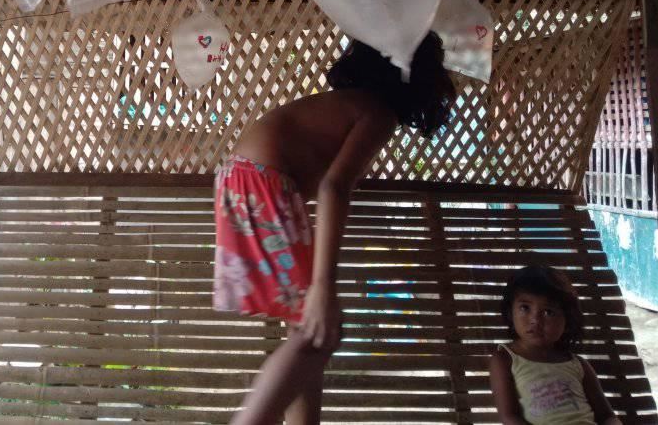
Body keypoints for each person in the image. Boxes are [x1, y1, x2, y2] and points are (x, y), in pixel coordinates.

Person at [213, 33, 457, 425]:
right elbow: (334, 187)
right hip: (262, 182)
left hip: (247, 180)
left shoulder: (351, 105)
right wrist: (324, 286)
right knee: (318, 331)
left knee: (311, 327)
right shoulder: (377, 113)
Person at [489, 265, 622, 425]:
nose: (535, 320)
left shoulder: (578, 364)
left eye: (548, 312)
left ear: (567, 320)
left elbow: (607, 415)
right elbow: (510, 417)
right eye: (525, 308)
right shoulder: (505, 360)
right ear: (510, 312)